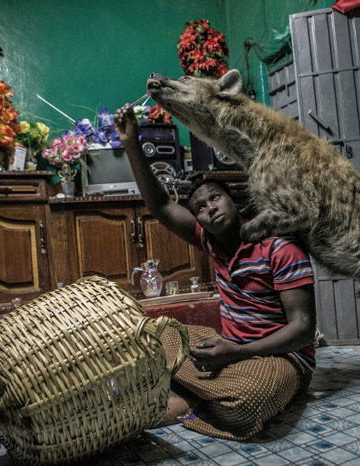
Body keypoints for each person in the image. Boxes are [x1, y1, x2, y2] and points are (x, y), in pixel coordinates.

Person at [113, 103, 317, 440]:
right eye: (201, 209)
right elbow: (161, 206)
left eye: (215, 199)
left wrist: (236, 353)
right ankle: (201, 390)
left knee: (244, 404)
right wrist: (132, 143)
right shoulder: (209, 240)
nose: (210, 209)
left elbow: (304, 330)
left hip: (283, 357)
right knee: (151, 335)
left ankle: (181, 398)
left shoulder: (280, 246)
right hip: (231, 347)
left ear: (233, 200)